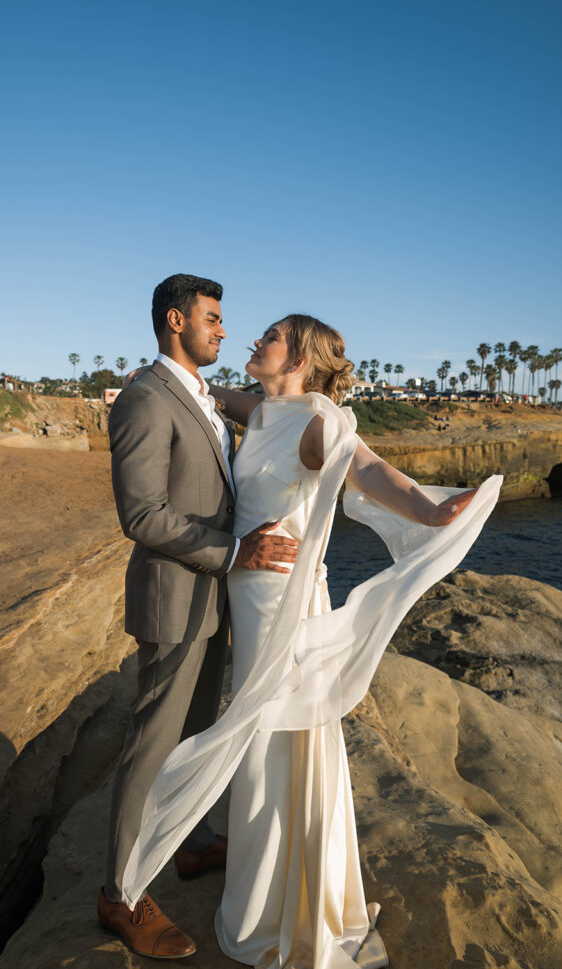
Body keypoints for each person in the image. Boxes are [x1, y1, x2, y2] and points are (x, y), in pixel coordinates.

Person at [117, 313, 502, 968]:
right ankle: (255, 865)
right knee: (262, 734)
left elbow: (367, 468)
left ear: (297, 358)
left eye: (269, 337)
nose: (253, 340)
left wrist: (431, 510)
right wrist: (155, 380)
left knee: (279, 737)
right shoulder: (267, 409)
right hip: (248, 597)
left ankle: (283, 899)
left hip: (281, 604)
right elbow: (213, 396)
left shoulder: (318, 422)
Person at [98, 275, 300, 960]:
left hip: (214, 597)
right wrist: (236, 552)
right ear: (176, 321)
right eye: (212, 318)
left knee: (196, 733)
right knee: (152, 744)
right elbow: (141, 514)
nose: (223, 329)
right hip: (174, 595)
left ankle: (189, 843)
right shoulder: (145, 398)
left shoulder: (204, 397)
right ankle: (120, 894)